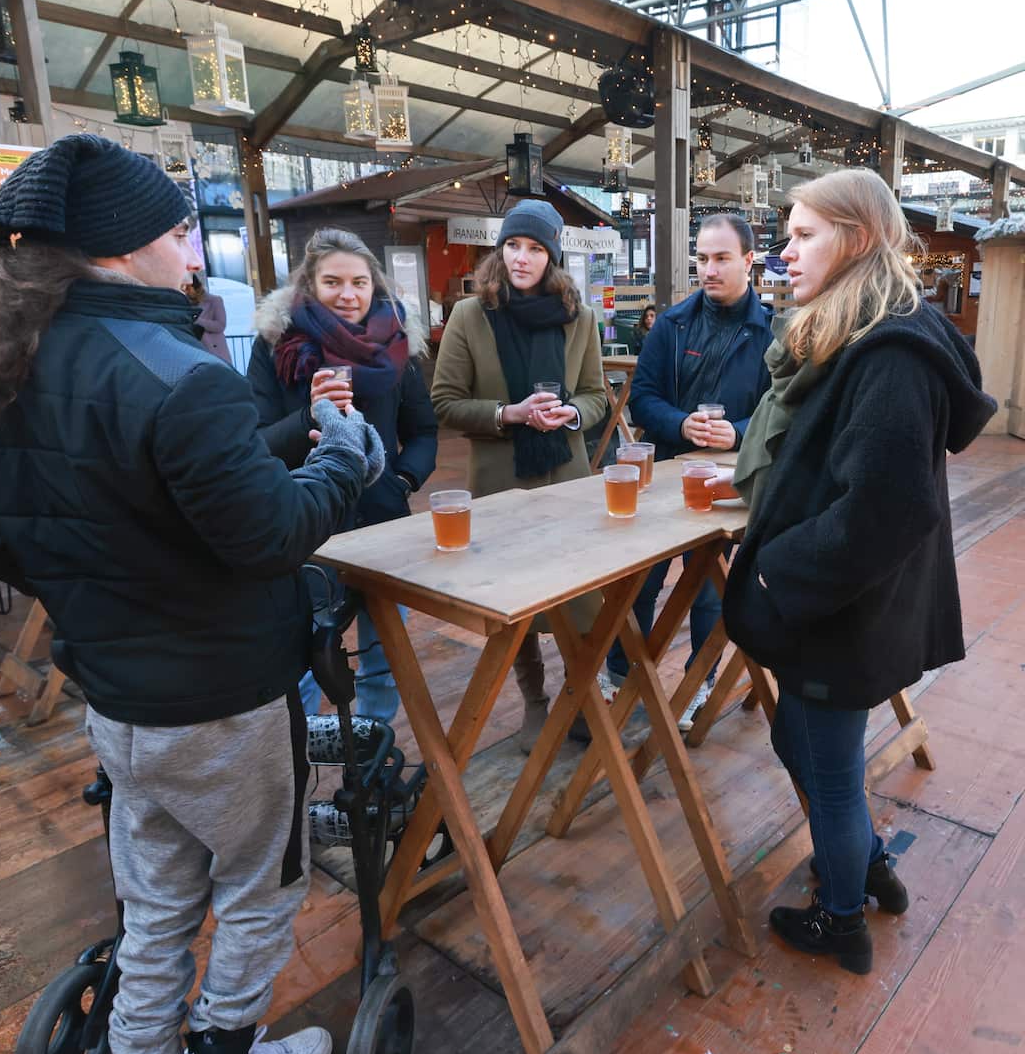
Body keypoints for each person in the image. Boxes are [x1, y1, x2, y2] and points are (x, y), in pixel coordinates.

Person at [0, 134, 385, 1054]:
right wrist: (343, 458)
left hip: (115, 695)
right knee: (260, 884)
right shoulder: (181, 372)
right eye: (179, 232)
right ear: (116, 247)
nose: (191, 251)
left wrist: (101, 581)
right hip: (227, 694)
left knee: (157, 895)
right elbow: (269, 533)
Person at [710, 169, 994, 975]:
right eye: (787, 235)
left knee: (829, 771)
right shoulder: (867, 330)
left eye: (805, 235)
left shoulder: (890, 351)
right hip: (855, 602)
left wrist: (776, 573)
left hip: (841, 607)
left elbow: (884, 509)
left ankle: (841, 921)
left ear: (857, 239)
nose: (786, 252)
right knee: (801, 739)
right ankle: (869, 869)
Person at [430, 199, 607, 753]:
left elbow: (597, 395)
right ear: (499, 249)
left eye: (534, 248)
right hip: (501, 485)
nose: (521, 258)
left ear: (552, 255)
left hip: (566, 481)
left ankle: (580, 694)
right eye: (512, 245)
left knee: (582, 596)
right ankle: (534, 702)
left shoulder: (579, 317)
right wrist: (509, 414)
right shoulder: (470, 314)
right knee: (514, 607)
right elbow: (445, 402)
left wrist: (570, 413)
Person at [250, 228, 438, 725]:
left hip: (381, 522)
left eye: (359, 282)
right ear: (310, 284)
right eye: (333, 282)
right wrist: (309, 415)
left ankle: (375, 740)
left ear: (374, 285)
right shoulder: (277, 346)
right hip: (305, 524)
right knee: (302, 655)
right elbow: (256, 442)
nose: (348, 294)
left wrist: (402, 481)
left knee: (385, 652)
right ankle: (305, 752)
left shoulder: (398, 345)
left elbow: (422, 430)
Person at [603, 213, 774, 728]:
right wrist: (681, 423)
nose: (709, 269)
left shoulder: (771, 331)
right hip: (665, 474)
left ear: (748, 260)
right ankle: (619, 675)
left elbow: (780, 407)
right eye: (702, 258)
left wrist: (737, 432)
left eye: (722, 258)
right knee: (641, 580)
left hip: (727, 477)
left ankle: (701, 683)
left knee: (708, 588)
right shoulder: (672, 324)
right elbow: (643, 397)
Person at [185, 272, 231, 365]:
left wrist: (197, 321)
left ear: (195, 286)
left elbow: (220, 325)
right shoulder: (184, 304)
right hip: (195, 353)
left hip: (214, 350)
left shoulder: (214, 300)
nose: (186, 292)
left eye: (188, 288)